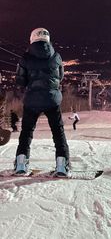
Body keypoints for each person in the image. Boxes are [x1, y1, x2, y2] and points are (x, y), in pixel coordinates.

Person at [14, 28, 70, 176]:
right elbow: (61, 77)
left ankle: (21, 164)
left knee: (26, 133)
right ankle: (62, 166)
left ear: (32, 38)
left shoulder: (25, 58)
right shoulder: (56, 56)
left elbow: (20, 81)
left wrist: (28, 90)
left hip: (31, 100)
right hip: (52, 100)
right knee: (58, 133)